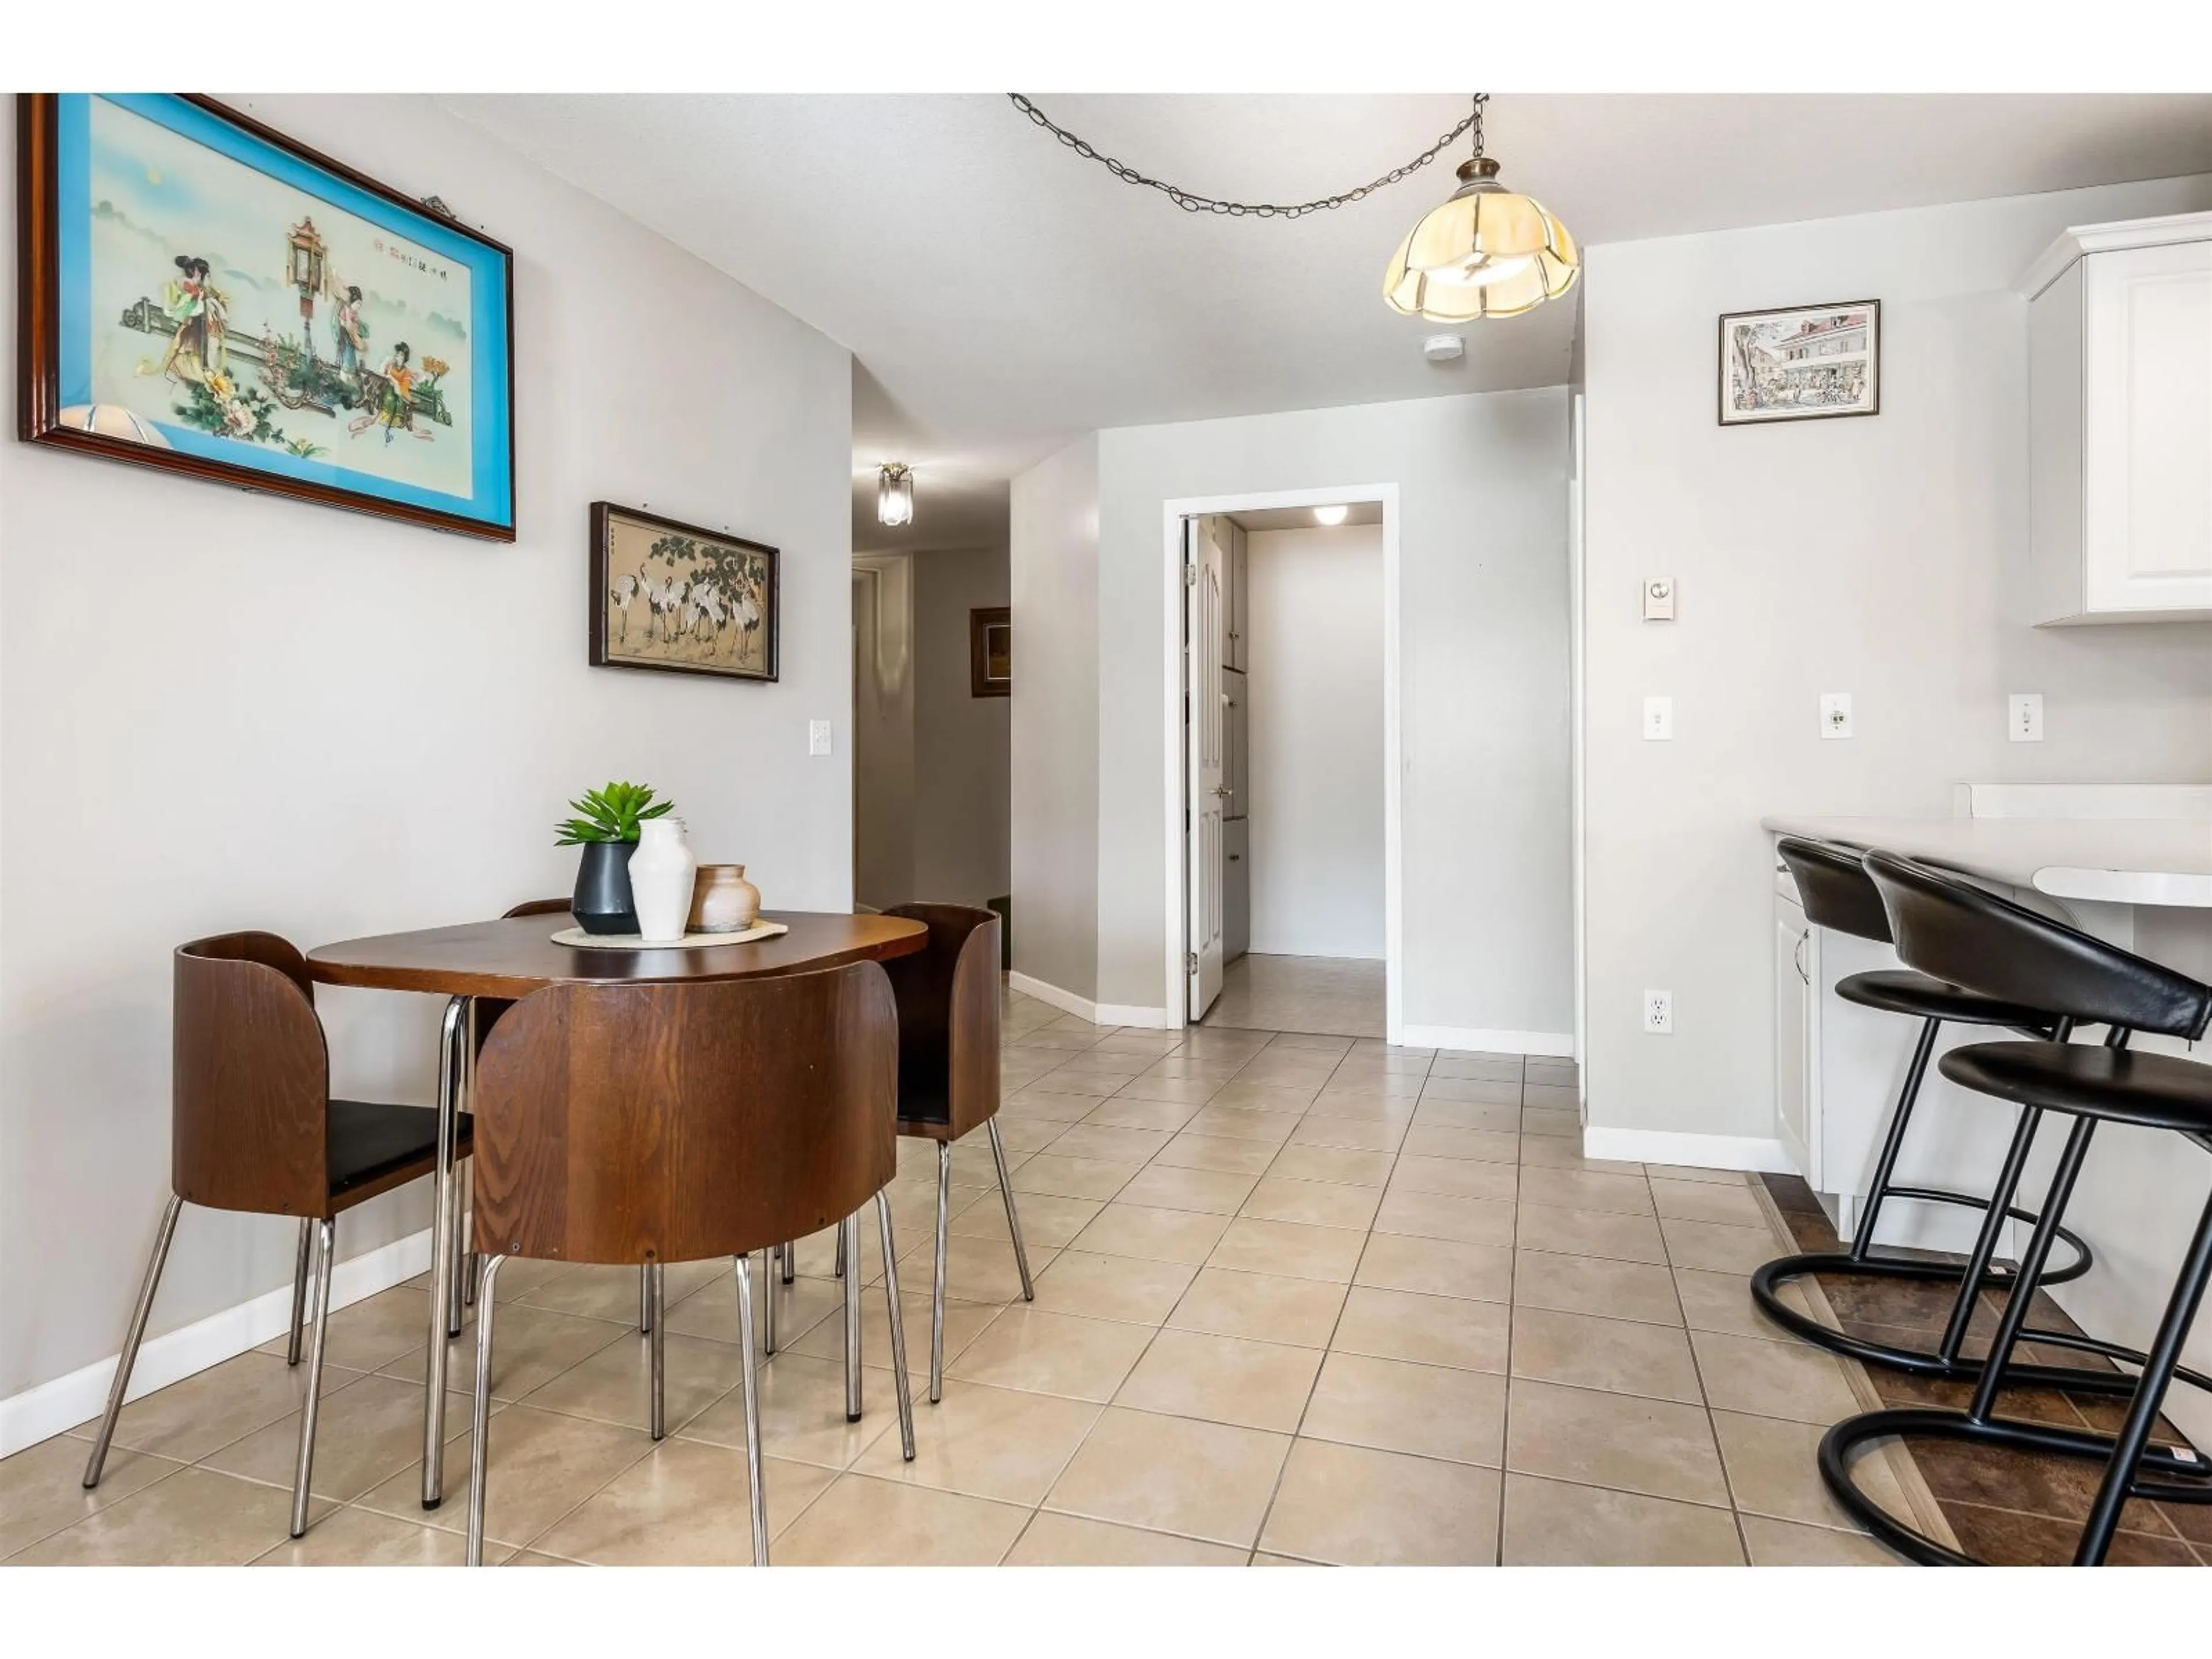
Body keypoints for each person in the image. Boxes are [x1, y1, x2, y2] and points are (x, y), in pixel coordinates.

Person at [138, 255, 228, 385]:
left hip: (211, 330)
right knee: (195, 361)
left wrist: (213, 303)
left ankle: (208, 376)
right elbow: (183, 312)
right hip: (196, 332)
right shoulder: (192, 292)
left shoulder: (210, 295)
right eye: (208, 276)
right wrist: (201, 299)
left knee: (211, 356)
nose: (210, 280)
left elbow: (223, 316)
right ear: (199, 277)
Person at [331, 285, 367, 378]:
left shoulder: (355, 313)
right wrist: (345, 323)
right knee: (345, 350)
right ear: (352, 302)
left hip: (351, 335)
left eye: (360, 304)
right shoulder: (345, 309)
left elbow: (357, 324)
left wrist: (356, 327)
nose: (359, 306)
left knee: (351, 351)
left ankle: (351, 370)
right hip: (344, 333)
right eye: (358, 303)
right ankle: (344, 367)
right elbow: (342, 321)